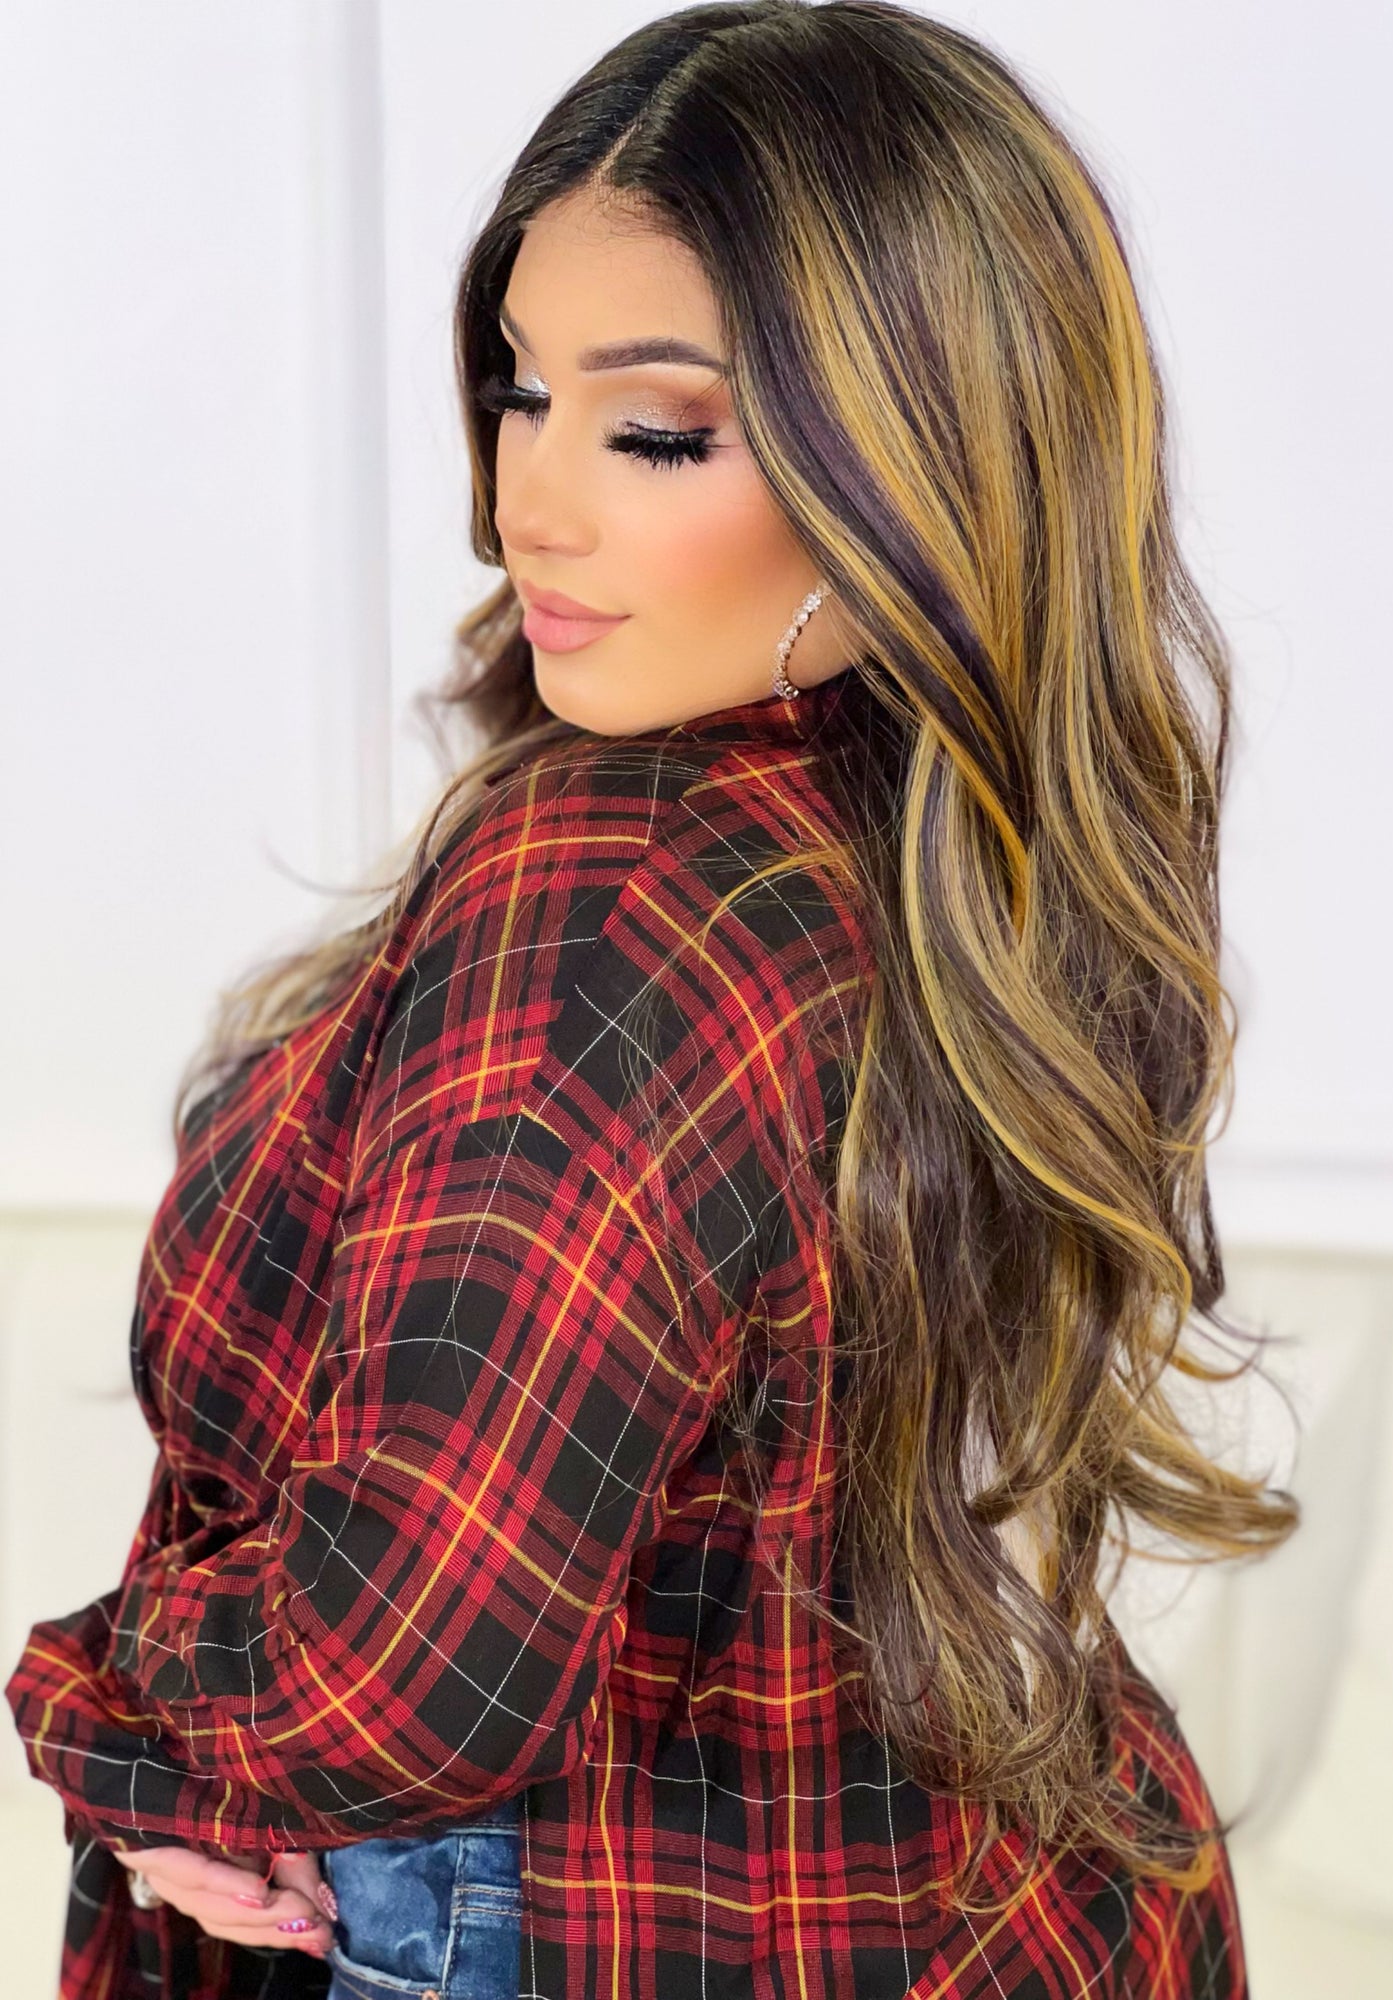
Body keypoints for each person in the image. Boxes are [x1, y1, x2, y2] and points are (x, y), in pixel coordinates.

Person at [5, 3, 1299, 1996]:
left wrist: (105, 1706)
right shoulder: (945, 835)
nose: (528, 499)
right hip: (1008, 1903)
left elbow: (399, 1669)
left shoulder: (617, 892)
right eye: (520, 391)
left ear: (918, 460)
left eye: (658, 430)